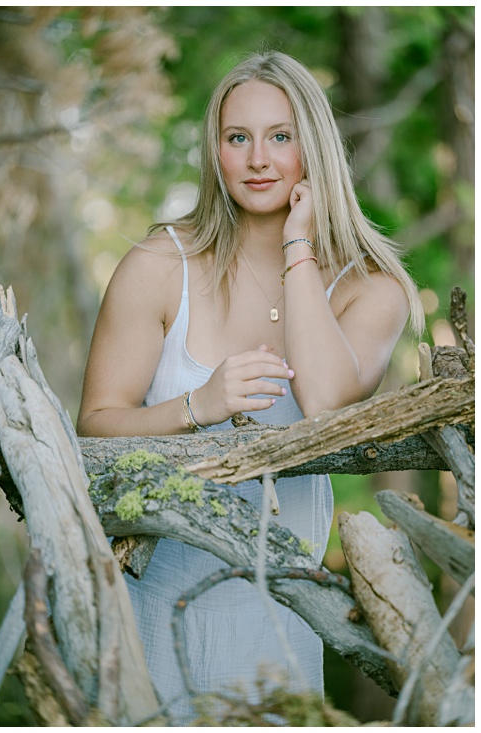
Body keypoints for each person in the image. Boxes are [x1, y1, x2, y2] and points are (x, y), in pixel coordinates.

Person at [77, 52, 423, 721]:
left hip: (280, 615)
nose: (259, 159)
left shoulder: (373, 291)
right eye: (239, 138)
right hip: (153, 601)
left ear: (313, 148)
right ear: (217, 151)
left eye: (281, 136)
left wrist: (299, 243)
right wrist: (195, 406)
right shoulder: (158, 266)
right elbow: (94, 422)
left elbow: (322, 398)